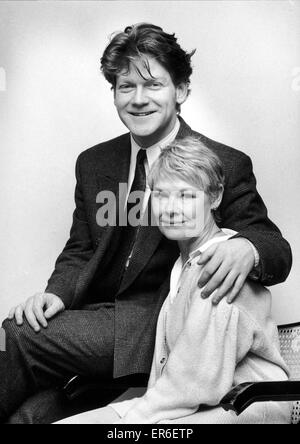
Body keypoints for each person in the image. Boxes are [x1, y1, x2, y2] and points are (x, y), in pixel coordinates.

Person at [0, 23, 292, 424]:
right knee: (30, 417)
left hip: (163, 329)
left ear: (182, 91)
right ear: (114, 94)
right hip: (96, 321)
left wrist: (248, 247)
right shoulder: (94, 163)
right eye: (125, 87)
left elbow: (273, 245)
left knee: (18, 334)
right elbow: (80, 249)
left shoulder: (222, 161)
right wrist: (58, 295)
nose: (138, 100)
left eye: (152, 85)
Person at [56, 137, 291, 424]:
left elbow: (191, 385)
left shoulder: (218, 264)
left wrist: (127, 424)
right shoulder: (183, 264)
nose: (171, 209)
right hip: (195, 403)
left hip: (244, 406)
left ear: (215, 197)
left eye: (186, 196)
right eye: (162, 195)